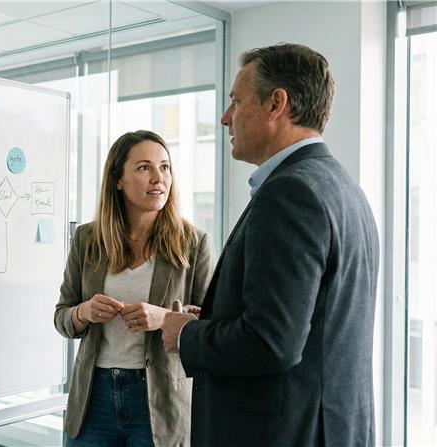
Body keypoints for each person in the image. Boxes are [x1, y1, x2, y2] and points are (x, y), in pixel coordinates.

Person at [162, 43, 380, 446]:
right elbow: (309, 323)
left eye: (235, 101)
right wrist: (216, 318)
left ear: (276, 103)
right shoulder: (342, 187)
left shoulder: (290, 194)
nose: (226, 118)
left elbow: (271, 342)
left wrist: (186, 334)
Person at [54, 130, 214, 447]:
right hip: (93, 398)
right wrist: (84, 312)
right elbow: (63, 317)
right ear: (118, 179)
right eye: (144, 168)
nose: (159, 178)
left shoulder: (193, 242)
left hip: (160, 400)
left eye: (165, 167)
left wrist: (165, 318)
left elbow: (213, 329)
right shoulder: (87, 239)